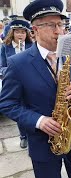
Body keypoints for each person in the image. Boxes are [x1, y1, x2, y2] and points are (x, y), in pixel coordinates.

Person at [0, 0, 71, 178]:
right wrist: (39, 121)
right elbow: (7, 104)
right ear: (35, 30)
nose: (59, 31)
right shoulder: (17, 63)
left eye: (61, 24)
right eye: (52, 25)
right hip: (43, 142)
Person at [0, 19, 33, 149]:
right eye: (18, 32)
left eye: (23, 32)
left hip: (30, 83)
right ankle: (23, 136)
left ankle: (32, 135)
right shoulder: (5, 47)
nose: (21, 35)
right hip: (15, 85)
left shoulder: (31, 46)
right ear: (12, 33)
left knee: (31, 109)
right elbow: (1, 67)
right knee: (20, 110)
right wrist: (12, 71)